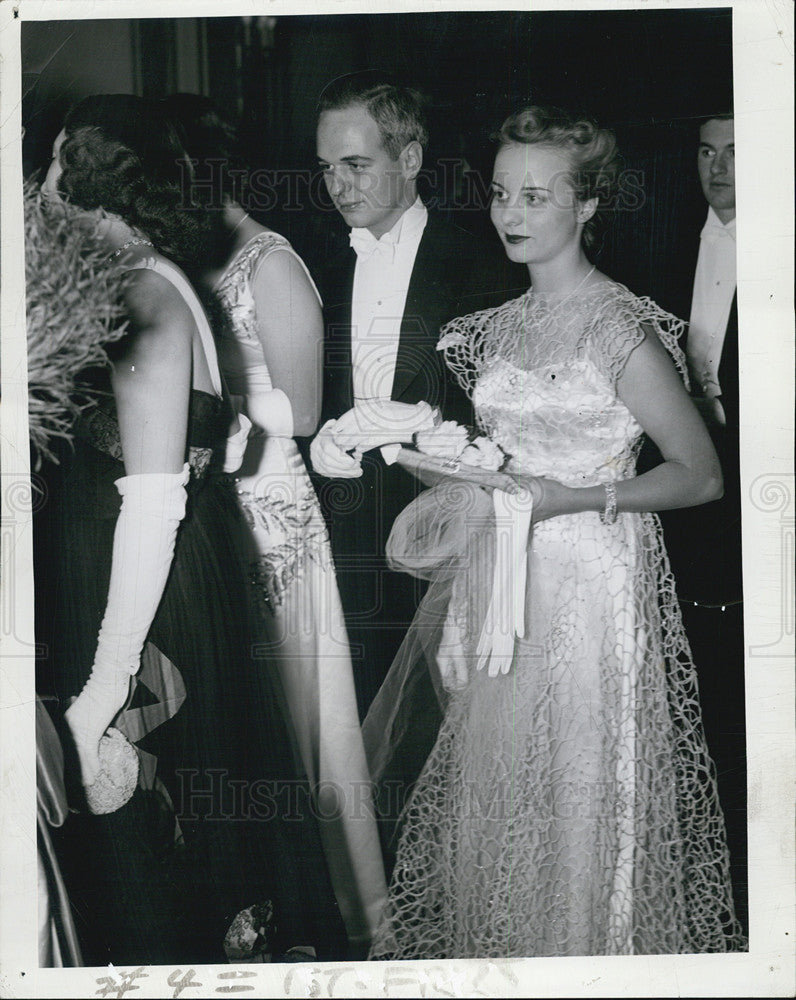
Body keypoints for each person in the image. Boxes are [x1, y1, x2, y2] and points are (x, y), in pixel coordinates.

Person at [364, 106, 746, 958]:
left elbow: (701, 475)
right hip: (504, 577)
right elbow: (503, 459)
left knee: (578, 778)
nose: (511, 213)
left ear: (588, 206)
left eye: (536, 196)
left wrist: (567, 501)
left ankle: (580, 950)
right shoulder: (494, 328)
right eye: (502, 193)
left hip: (591, 579)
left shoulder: (620, 328)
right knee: (502, 781)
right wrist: (445, 462)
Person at [41, 94, 346, 964]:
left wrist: (103, 691)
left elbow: (151, 505)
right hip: (163, 580)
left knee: (159, 857)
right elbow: (223, 430)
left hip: (148, 605)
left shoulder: (146, 293)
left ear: (93, 182)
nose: (43, 183)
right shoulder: (151, 277)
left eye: (58, 163)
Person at [161, 93, 388, 952]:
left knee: (301, 708)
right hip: (214, 512)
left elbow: (305, 408)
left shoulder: (272, 260)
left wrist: (198, 401)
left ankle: (341, 912)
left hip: (275, 513)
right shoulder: (183, 261)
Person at [310, 72, 523, 729]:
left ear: (408, 159)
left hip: (450, 534)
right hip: (349, 534)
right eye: (326, 169)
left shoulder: (483, 263)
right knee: (365, 722)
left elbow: (508, 423)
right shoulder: (318, 259)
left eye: (355, 165)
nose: (338, 186)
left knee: (452, 722)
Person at [654, 113, 746, 931]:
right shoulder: (668, 238)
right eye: (705, 150)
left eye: (734, 153)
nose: (716, 169)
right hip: (688, 496)